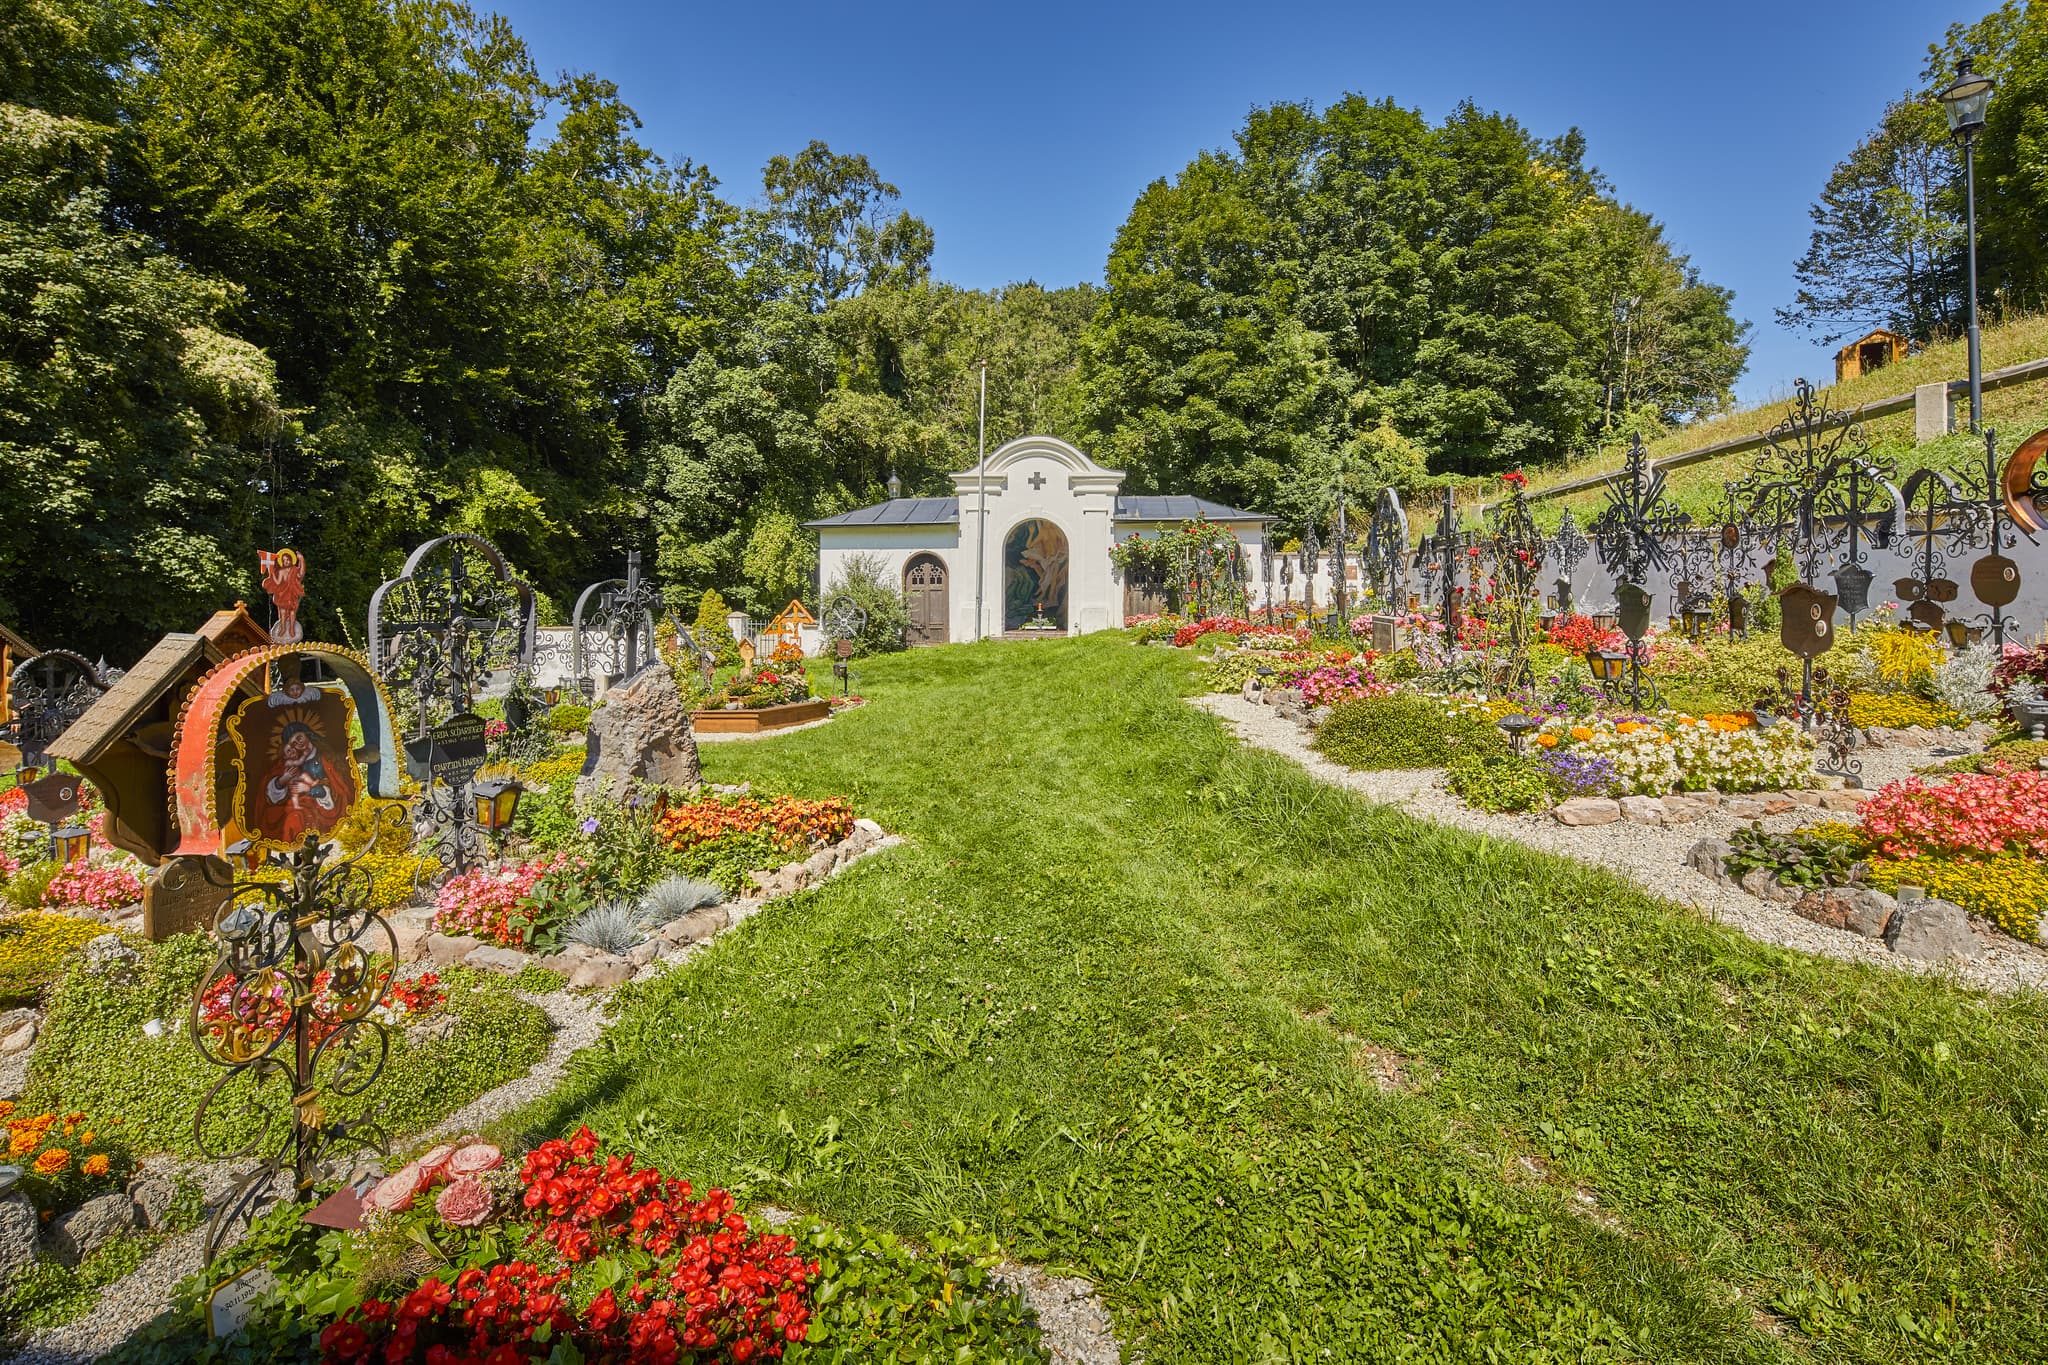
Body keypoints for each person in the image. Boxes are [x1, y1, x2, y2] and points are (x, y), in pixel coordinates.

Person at [259, 720, 354, 842]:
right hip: (300, 804)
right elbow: (274, 787)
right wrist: (283, 780)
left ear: (307, 734)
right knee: (291, 816)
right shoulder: (293, 760)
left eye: (299, 737)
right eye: (293, 743)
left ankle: (307, 851)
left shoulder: (326, 756)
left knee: (295, 817)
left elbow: (338, 786)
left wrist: (310, 789)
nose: (298, 743)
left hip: (323, 806)